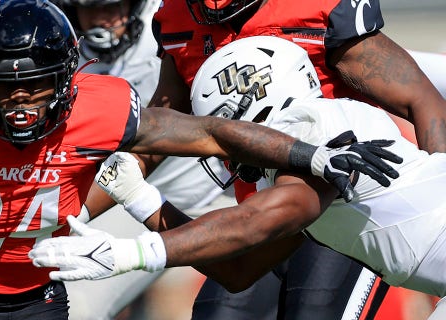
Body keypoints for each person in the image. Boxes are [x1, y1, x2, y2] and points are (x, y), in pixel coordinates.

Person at [0, 1, 398, 319]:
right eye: (5, 86)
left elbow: (209, 133)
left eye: (37, 85)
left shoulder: (107, 104)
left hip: (44, 281)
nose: (20, 102)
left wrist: (313, 154)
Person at [29, 36, 446, 320]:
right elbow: (239, 269)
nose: (228, 151)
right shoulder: (297, 162)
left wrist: (127, 254)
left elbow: (257, 220)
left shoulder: (320, 125)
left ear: (259, 112)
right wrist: (142, 200)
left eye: (231, 132)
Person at [146, 0, 446, 318]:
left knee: (312, 309)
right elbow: (237, 270)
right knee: (218, 312)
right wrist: (129, 194)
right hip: (269, 214)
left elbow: (420, 98)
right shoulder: (176, 20)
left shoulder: (317, 10)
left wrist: (432, 216)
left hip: (341, 209)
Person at [53, 0, 230, 317]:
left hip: (217, 195)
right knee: (73, 302)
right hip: (126, 198)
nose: (103, 20)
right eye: (90, 9)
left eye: (113, 6)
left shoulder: (172, 23)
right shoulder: (62, 44)